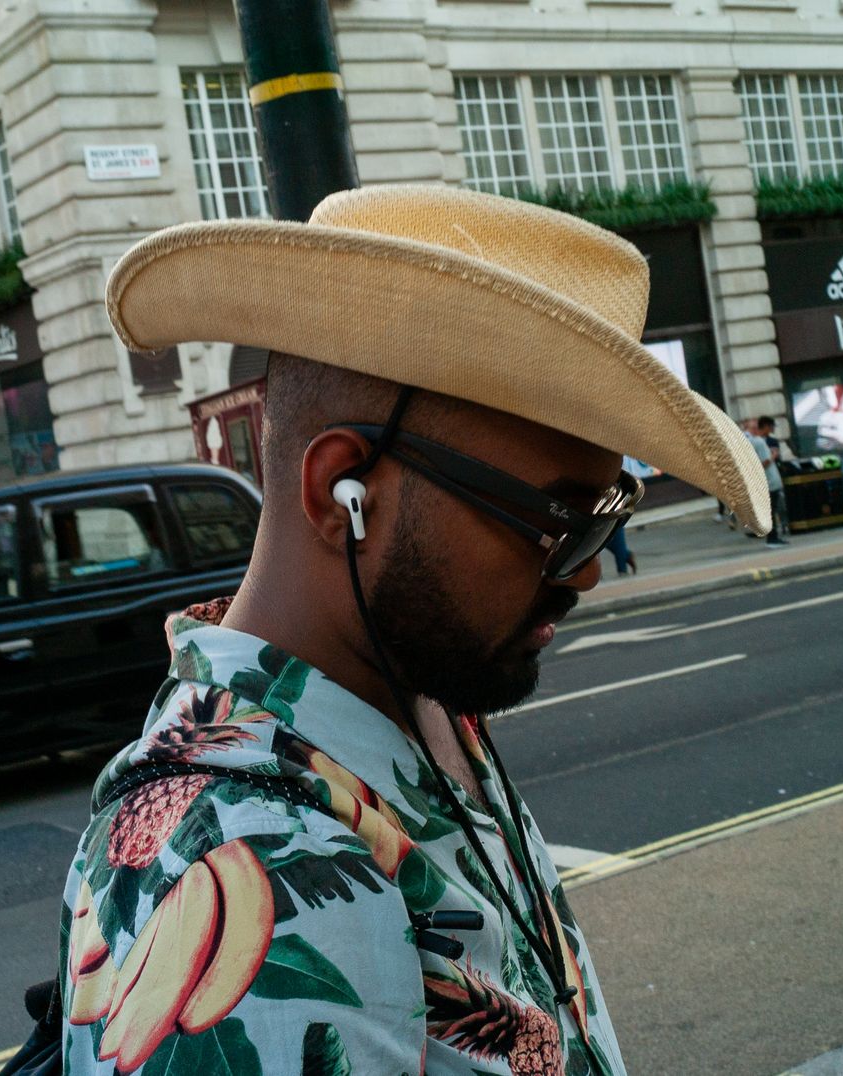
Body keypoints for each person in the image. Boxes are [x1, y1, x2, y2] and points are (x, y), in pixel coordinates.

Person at [46, 185, 769, 1074]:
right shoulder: (254, 874)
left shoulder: (419, 692)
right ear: (343, 493)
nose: (583, 569)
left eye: (608, 516)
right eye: (556, 521)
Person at [746, 418, 787, 547]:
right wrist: (773, 456)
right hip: (770, 481)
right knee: (771, 510)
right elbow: (764, 463)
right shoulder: (759, 442)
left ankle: (772, 537)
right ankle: (772, 538)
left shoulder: (751, 442)